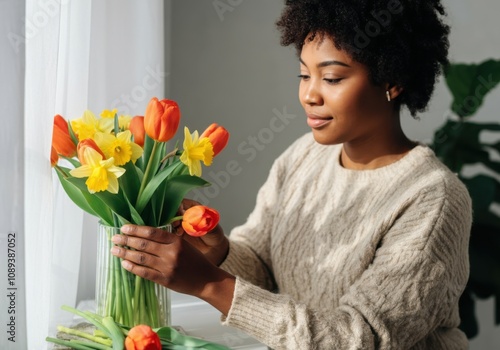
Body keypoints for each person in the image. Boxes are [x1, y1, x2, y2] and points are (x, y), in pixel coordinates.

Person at [110, 1, 472, 348]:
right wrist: (218, 253)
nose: (308, 94)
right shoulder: (303, 156)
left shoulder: (433, 197)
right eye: (303, 74)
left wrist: (210, 284)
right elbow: (262, 266)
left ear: (392, 80)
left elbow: (359, 339)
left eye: (331, 77)